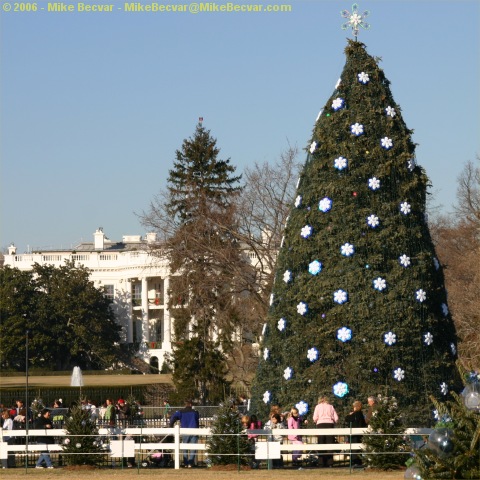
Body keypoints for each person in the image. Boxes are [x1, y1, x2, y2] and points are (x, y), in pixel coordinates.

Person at [169, 400, 200, 468]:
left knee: (184, 448)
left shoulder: (181, 412)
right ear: (191, 405)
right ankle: (190, 463)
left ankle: (185, 463)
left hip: (185, 432)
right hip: (194, 432)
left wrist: (171, 425)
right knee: (193, 448)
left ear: (185, 405)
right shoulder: (195, 412)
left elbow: (173, 417)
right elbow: (197, 420)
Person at [312, 396, 339, 468]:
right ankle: (330, 463)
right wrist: (333, 420)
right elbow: (336, 418)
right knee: (330, 443)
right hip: (330, 424)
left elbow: (315, 418)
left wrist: (316, 420)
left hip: (320, 424)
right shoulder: (331, 406)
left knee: (321, 443)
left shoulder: (317, 407)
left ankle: (321, 462)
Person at [345, 400, 367, 466]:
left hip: (354, 434)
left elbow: (347, 419)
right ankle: (358, 460)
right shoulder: (361, 414)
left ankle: (355, 461)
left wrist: (350, 415)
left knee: (354, 448)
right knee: (359, 448)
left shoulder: (356, 414)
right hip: (360, 434)